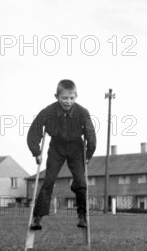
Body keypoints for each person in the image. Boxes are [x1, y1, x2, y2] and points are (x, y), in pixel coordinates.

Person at [27, 79, 96, 229]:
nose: (68, 101)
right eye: (64, 98)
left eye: (72, 98)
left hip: (76, 148)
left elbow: (90, 134)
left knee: (80, 181)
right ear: (56, 96)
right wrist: (36, 152)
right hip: (56, 148)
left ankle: (82, 216)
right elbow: (35, 130)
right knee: (49, 181)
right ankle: (37, 218)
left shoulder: (82, 112)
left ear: (76, 96)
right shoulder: (48, 111)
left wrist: (89, 154)